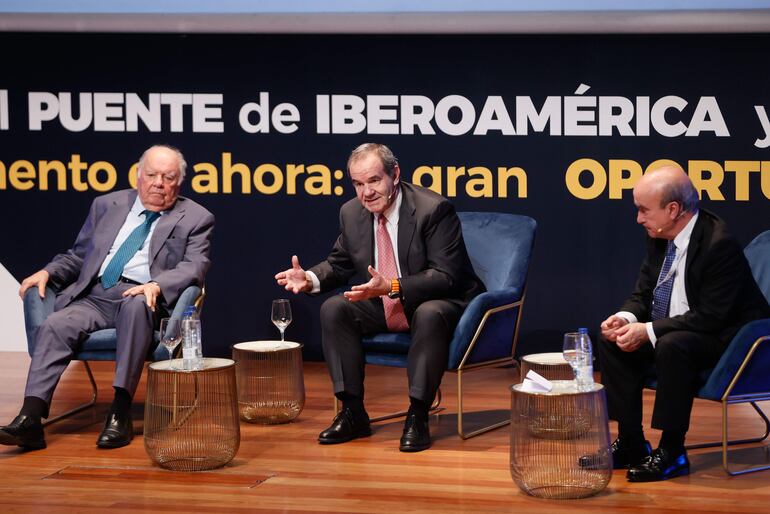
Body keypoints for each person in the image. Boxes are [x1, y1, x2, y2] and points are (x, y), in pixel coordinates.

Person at [0, 145, 214, 451]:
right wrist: (49, 272)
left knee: (137, 305)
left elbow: (194, 267)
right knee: (56, 324)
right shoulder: (107, 204)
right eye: (151, 175)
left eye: (168, 177)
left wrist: (156, 284)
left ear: (179, 182)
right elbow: (79, 256)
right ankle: (30, 419)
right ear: (138, 176)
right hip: (95, 296)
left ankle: (120, 410)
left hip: (143, 297)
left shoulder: (196, 217)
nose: (158, 183)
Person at [275, 143, 484, 452]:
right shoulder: (352, 213)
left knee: (429, 312)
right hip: (388, 299)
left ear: (395, 174)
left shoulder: (433, 209)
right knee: (336, 308)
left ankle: (418, 414)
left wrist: (394, 287)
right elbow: (339, 263)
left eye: (374, 180)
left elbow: (445, 276)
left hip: (445, 301)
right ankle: (352, 412)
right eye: (358, 184)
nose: (366, 192)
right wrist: (309, 278)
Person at [593, 165, 770, 481]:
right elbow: (644, 292)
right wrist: (626, 318)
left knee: (674, 345)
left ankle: (672, 451)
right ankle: (632, 441)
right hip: (682, 329)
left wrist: (647, 331)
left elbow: (711, 316)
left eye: (643, 210)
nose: (638, 219)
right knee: (613, 340)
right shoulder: (660, 235)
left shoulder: (718, 243)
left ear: (673, 209)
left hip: (731, 341)